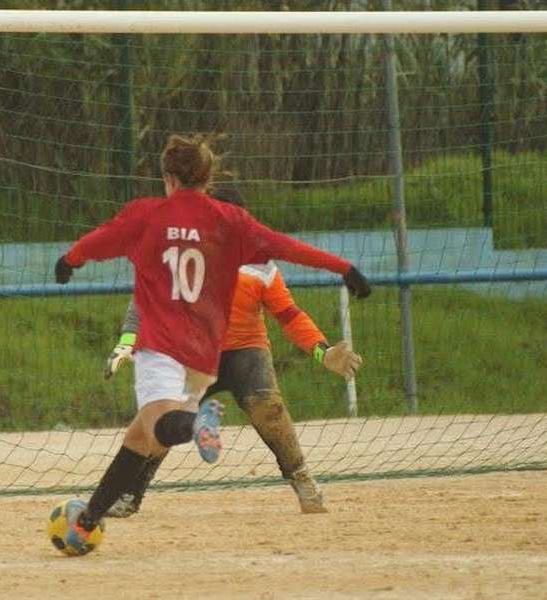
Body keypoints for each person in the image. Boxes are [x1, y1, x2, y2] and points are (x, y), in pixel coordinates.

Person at [53, 134, 371, 553]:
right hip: (205, 350)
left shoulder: (148, 215)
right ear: (207, 177)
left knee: (163, 426)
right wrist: (344, 267)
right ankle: (90, 518)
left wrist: (70, 259)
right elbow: (285, 245)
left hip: (171, 345)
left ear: (167, 177)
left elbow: (99, 240)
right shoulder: (229, 222)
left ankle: (205, 427)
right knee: (140, 438)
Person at [103, 188, 361, 515]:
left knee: (269, 410)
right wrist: (127, 342)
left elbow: (288, 315)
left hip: (245, 352)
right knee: (161, 418)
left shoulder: (260, 266)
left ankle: (302, 480)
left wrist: (322, 352)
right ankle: (128, 495)